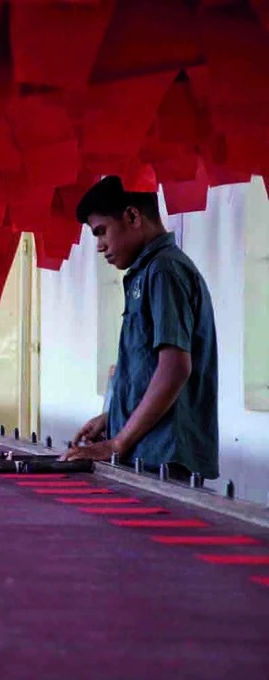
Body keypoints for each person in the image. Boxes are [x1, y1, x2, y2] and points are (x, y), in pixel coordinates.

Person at [63, 176, 219, 481]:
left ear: (133, 216)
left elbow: (174, 369)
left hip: (163, 455)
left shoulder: (163, 271)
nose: (99, 246)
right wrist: (113, 418)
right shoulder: (147, 273)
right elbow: (148, 371)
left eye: (101, 232)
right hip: (146, 451)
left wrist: (118, 443)